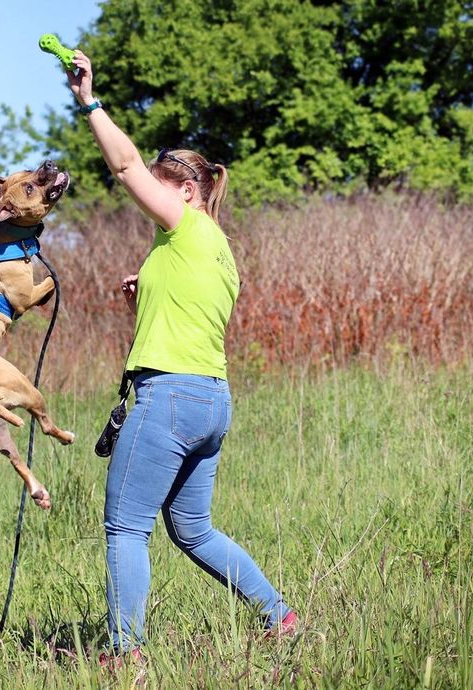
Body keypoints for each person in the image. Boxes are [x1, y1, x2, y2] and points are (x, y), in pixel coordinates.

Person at [64, 51, 299, 660]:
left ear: (187, 191)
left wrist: (89, 102)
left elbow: (124, 164)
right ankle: (278, 615)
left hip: (169, 399)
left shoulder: (187, 225)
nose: (150, 199)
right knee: (192, 529)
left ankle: (125, 654)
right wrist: (146, 290)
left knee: (125, 528)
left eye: (161, 190)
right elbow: (189, 314)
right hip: (211, 402)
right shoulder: (215, 250)